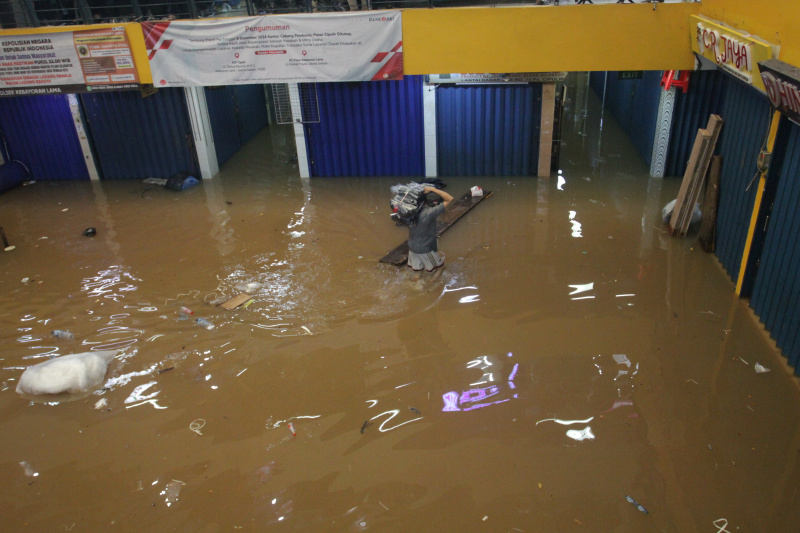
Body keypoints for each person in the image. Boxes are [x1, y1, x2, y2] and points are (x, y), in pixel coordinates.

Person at [407, 186, 453, 282]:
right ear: (435, 204)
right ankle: (429, 287)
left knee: (418, 271)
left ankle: (415, 286)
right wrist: (433, 189)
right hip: (425, 249)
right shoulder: (430, 213)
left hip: (411, 247)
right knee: (440, 268)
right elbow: (449, 198)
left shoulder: (413, 210)